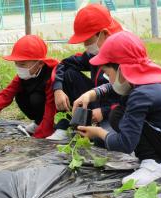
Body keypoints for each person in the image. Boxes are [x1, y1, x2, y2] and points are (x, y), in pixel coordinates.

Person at [73, 31, 161, 187]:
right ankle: (154, 157)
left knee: (120, 116)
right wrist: (92, 94)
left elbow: (125, 144)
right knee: (118, 114)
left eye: (107, 73)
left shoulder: (141, 95)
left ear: (122, 70)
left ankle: (156, 165)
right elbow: (116, 86)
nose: (108, 79)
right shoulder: (146, 81)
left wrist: (98, 133)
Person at [46, 3, 123, 140]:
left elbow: (134, 96)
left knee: (104, 140)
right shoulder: (94, 53)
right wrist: (58, 89)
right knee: (69, 74)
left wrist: (105, 112)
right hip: (98, 103)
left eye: (88, 40)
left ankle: (95, 127)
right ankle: (70, 125)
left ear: (103, 34)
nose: (86, 46)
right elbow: (64, 63)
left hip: (118, 111)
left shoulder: (125, 54)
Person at [0, 35, 59, 138]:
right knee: (20, 95)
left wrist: (38, 137)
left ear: (40, 63)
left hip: (58, 111)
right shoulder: (23, 77)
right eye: (16, 64)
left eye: (22, 64)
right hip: (44, 111)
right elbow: (5, 95)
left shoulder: (52, 75)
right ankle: (39, 123)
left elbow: (50, 109)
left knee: (36, 98)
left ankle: (58, 127)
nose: (19, 68)